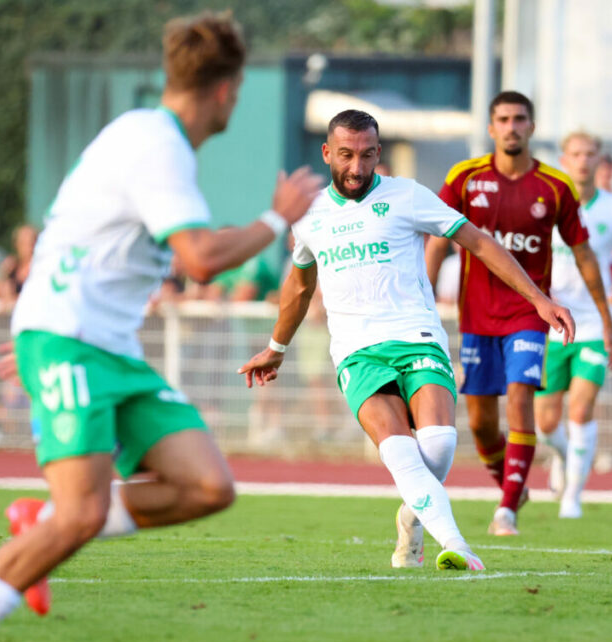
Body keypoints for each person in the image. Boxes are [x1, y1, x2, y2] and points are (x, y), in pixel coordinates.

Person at [0, 11, 324, 642]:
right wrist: (278, 216)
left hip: (99, 345)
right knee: (80, 516)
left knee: (207, 485)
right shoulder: (156, 146)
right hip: (72, 342)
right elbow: (198, 258)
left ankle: (38, 520)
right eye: (239, 90)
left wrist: (38, 329)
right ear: (226, 91)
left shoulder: (151, 142)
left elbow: (71, 229)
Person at [238, 109, 575, 569]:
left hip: (418, 337)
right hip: (357, 351)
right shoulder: (309, 214)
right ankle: (457, 545)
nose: (357, 168)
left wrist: (538, 299)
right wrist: (276, 349)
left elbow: (477, 242)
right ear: (326, 153)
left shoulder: (407, 196)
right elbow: (299, 285)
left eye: (367, 155)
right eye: (346, 155)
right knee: (398, 448)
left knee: (437, 446)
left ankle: (412, 518)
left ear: (379, 152)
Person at [426, 91, 612, 536]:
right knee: (479, 422)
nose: (512, 127)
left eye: (520, 119)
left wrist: (606, 318)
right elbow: (437, 239)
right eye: (503, 119)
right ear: (491, 128)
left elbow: (584, 253)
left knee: (519, 398)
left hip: (530, 313)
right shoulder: (465, 177)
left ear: (532, 127)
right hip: (476, 316)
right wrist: (425, 295)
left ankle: (507, 509)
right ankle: (511, 485)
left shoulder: (555, 186)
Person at [534, 131, 612, 518]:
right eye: (575, 153)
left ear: (600, 161)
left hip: (595, 325)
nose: (582, 160)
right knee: (546, 423)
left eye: (590, 154)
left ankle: (572, 498)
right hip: (550, 326)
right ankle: (564, 458)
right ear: (564, 159)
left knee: (580, 409)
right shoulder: (544, 205)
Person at [0, 224, 38, 308]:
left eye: (31, 242)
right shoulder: (13, 268)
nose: (29, 247)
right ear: (16, 244)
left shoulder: (42, 268)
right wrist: (6, 275)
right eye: (23, 243)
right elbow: (5, 298)